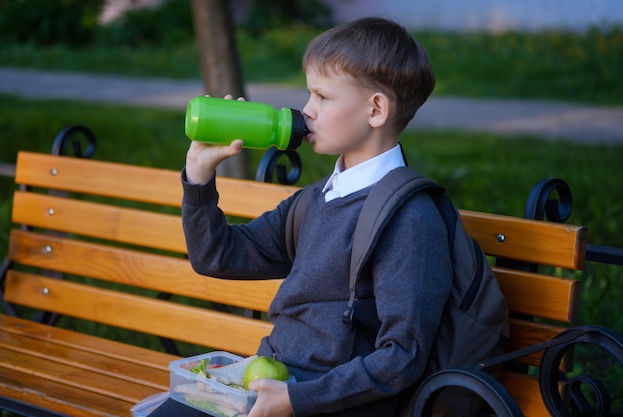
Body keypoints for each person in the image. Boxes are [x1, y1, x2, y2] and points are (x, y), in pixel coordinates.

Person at [180, 16, 449, 417]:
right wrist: (199, 175)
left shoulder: (407, 218)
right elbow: (217, 256)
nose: (306, 110)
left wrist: (296, 400)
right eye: (310, 94)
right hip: (271, 384)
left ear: (376, 109)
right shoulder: (316, 200)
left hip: (327, 403)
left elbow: (402, 356)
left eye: (322, 97)